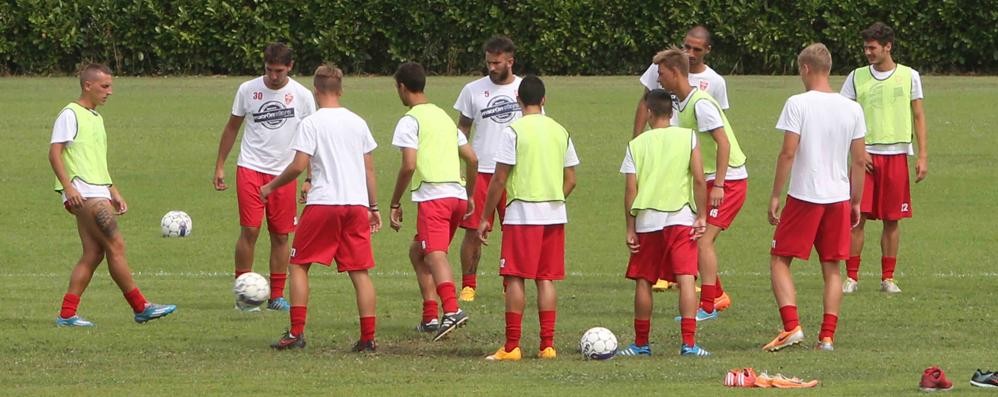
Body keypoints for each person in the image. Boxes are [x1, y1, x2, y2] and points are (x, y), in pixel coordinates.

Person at [263, 64, 381, 351]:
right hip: (355, 205)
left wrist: (271, 186)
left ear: (316, 92)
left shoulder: (311, 123)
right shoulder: (358, 122)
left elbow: (299, 166)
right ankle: (367, 338)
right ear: (340, 90)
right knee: (360, 272)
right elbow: (369, 169)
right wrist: (373, 206)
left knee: (299, 265)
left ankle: (296, 333)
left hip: (324, 203)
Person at [50, 63, 176, 327]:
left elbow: (95, 161)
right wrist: (68, 187)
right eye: (105, 86)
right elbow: (55, 153)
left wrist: (113, 190)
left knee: (94, 252)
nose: (110, 92)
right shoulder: (70, 114)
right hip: (84, 193)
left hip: (97, 190)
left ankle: (66, 314)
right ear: (88, 85)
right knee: (116, 246)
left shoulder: (96, 118)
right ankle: (141, 307)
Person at [763, 43, 866, 352]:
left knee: (780, 260)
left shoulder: (798, 103)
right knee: (833, 268)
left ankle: (792, 326)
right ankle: (827, 337)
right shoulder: (852, 108)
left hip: (805, 195)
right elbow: (860, 160)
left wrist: (775, 195)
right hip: (837, 198)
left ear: (805, 69)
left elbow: (788, 152)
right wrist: (856, 201)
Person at [477, 75, 579, 361]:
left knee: (515, 278)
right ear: (544, 100)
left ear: (518, 101)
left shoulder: (514, 131)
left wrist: (486, 217)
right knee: (546, 278)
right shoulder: (561, 131)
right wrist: (554, 199)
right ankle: (547, 346)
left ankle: (511, 346)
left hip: (522, 214)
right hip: (555, 214)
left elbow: (499, 179)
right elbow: (571, 179)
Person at [214, 42, 317, 311]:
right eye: (269, 70)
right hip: (250, 167)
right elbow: (231, 128)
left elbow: (312, 140)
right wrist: (220, 165)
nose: (273, 76)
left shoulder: (303, 96)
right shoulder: (247, 90)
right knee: (250, 230)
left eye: (279, 71)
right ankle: (243, 293)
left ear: (290, 67)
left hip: (285, 173)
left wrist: (310, 177)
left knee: (281, 235)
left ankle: (277, 295)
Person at [616, 89, 710, 357]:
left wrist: (630, 226)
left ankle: (641, 344)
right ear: (672, 113)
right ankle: (689, 344)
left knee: (644, 281)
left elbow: (630, 191)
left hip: (647, 220)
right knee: (686, 279)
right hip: (681, 217)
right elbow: (700, 179)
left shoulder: (636, 145)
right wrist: (701, 215)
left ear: (648, 112)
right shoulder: (687, 137)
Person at [388, 62, 478, 340]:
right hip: (457, 197)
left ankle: (452, 310)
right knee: (419, 251)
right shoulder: (442, 117)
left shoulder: (410, 120)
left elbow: (408, 165)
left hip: (434, 198)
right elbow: (472, 158)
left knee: (434, 253)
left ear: (402, 87)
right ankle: (429, 316)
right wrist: (471, 194)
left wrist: (394, 202)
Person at [656, 47, 745, 320]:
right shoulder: (683, 103)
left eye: (661, 74)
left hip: (728, 180)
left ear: (674, 73)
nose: (659, 80)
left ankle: (708, 305)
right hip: (709, 180)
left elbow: (724, 143)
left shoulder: (701, 104)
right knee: (694, 236)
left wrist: (718, 185)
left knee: (703, 240)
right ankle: (715, 295)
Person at [840, 22, 928, 294]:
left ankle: (887, 277)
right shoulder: (856, 77)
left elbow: (918, 116)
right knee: (857, 217)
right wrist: (858, 149)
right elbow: (843, 116)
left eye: (872, 47)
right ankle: (851, 277)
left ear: (887, 46)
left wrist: (922, 154)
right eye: (865, 47)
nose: (868, 52)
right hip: (864, 157)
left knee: (893, 219)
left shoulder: (910, 76)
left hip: (896, 156)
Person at [454, 35, 524, 301]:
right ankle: (469, 285)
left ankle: (510, 281)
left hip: (515, 172)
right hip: (481, 170)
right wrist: (459, 161)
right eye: (488, 62)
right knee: (473, 229)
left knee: (515, 230)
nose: (491, 68)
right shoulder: (472, 90)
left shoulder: (524, 89)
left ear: (510, 61)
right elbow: (462, 128)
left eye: (496, 63)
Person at [633, 25, 729, 138]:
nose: (690, 53)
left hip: (690, 145)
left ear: (708, 49)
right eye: (687, 47)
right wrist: (635, 140)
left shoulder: (716, 81)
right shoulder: (661, 68)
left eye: (697, 49)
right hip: (660, 140)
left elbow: (718, 122)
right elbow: (645, 102)